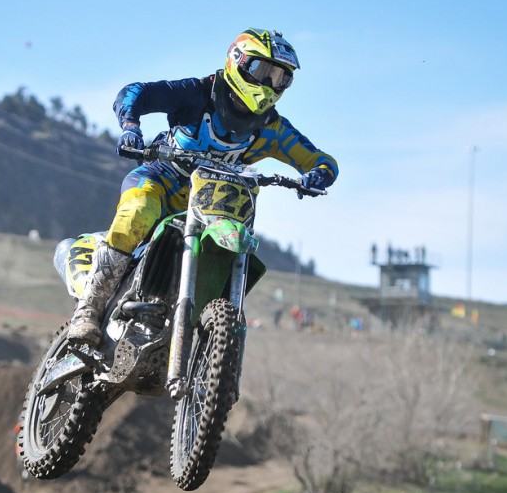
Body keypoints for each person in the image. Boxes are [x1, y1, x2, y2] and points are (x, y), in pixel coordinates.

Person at [68, 28, 339, 345]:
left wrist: (319, 174)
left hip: (215, 206)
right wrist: (130, 126)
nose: (269, 84)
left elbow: (321, 160)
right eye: (262, 70)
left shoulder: (272, 128)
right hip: (160, 181)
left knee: (238, 246)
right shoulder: (197, 94)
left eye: (281, 78)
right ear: (237, 61)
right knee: (138, 212)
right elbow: (135, 92)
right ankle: (88, 310)